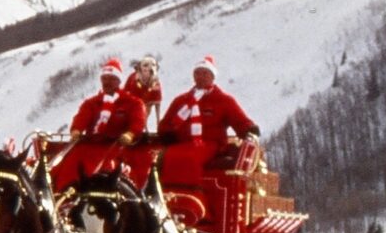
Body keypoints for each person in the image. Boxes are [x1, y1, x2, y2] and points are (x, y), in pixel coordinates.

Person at [157, 55, 260, 192]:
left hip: (210, 144)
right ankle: (167, 191)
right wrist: (167, 134)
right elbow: (166, 123)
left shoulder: (223, 100)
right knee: (168, 155)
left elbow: (240, 121)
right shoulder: (181, 101)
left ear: (212, 76)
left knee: (189, 158)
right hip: (183, 143)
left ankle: (191, 192)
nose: (201, 77)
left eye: (205, 73)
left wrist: (250, 130)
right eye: (197, 73)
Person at [51, 57, 147, 190]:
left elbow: (138, 122)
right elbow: (82, 118)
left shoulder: (132, 103)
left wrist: (130, 134)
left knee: (100, 167)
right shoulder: (92, 103)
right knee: (67, 165)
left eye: (111, 79)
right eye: (104, 79)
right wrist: (76, 130)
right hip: (89, 145)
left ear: (118, 81)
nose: (107, 82)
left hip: (115, 146)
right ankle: (62, 192)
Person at [124, 55, 162, 128]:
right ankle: (141, 126)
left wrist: (158, 122)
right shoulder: (134, 82)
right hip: (138, 89)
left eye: (153, 65)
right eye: (145, 65)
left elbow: (157, 103)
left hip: (151, 87)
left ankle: (157, 126)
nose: (150, 68)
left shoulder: (156, 85)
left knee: (148, 109)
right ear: (139, 69)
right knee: (140, 110)